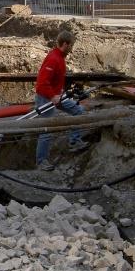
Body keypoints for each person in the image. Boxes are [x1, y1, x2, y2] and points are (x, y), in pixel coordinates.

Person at [34, 30, 89, 171]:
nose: (72, 49)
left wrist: (58, 95)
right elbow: (41, 83)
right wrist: (52, 97)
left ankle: (74, 141)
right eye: (72, 45)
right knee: (47, 129)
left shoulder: (60, 57)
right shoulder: (54, 59)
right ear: (65, 44)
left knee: (79, 111)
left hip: (57, 96)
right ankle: (41, 162)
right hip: (46, 97)